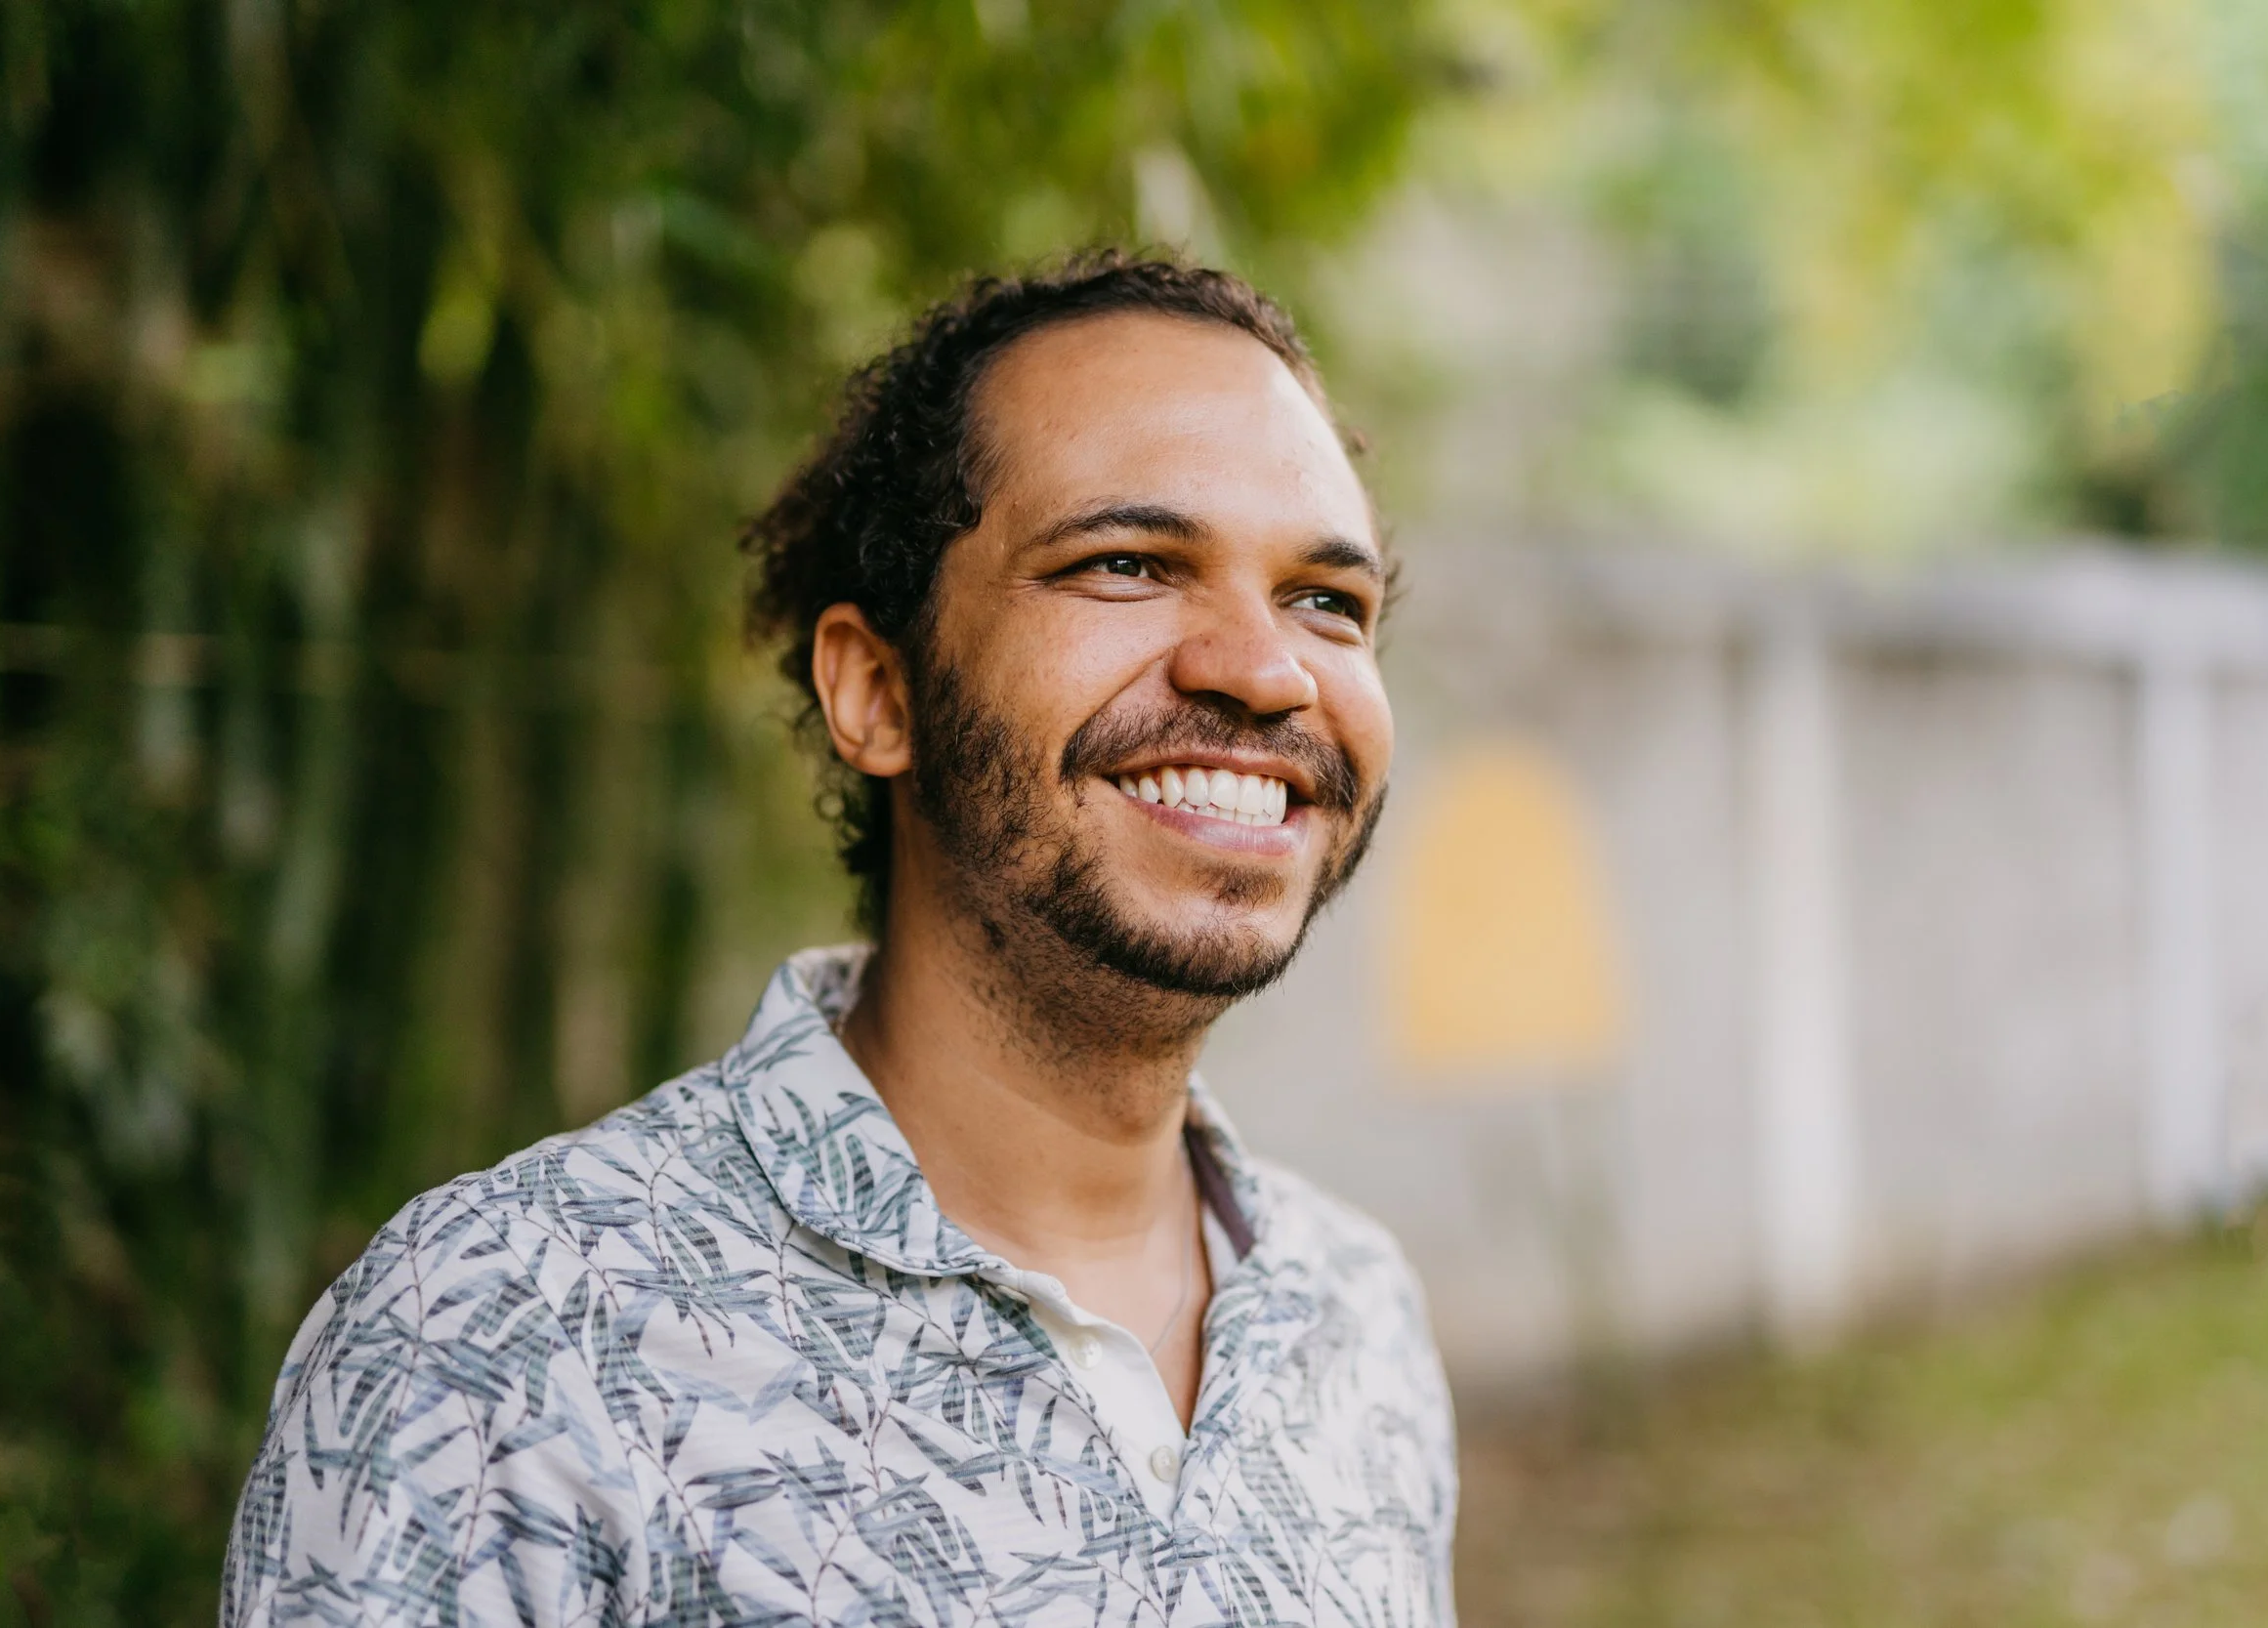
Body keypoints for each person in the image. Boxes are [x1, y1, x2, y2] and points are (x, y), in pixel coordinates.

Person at [222, 252, 1454, 1627]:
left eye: (1326, 600)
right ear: (877, 689)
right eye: (1126, 563)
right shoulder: (509, 1335)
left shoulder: (1355, 1319)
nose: (1265, 666)